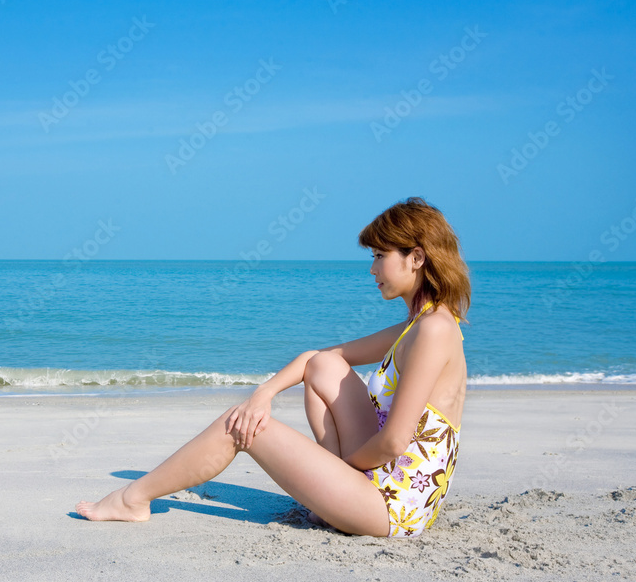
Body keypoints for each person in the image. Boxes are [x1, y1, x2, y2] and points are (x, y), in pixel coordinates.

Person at [76, 197, 471, 538]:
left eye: (380, 257)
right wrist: (262, 394)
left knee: (243, 428)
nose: (372, 270)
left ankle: (133, 499)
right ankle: (328, 501)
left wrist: (335, 470)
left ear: (416, 258)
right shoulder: (419, 326)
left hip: (391, 507)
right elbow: (314, 358)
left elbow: (393, 443)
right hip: (382, 485)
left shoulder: (434, 331)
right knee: (323, 366)